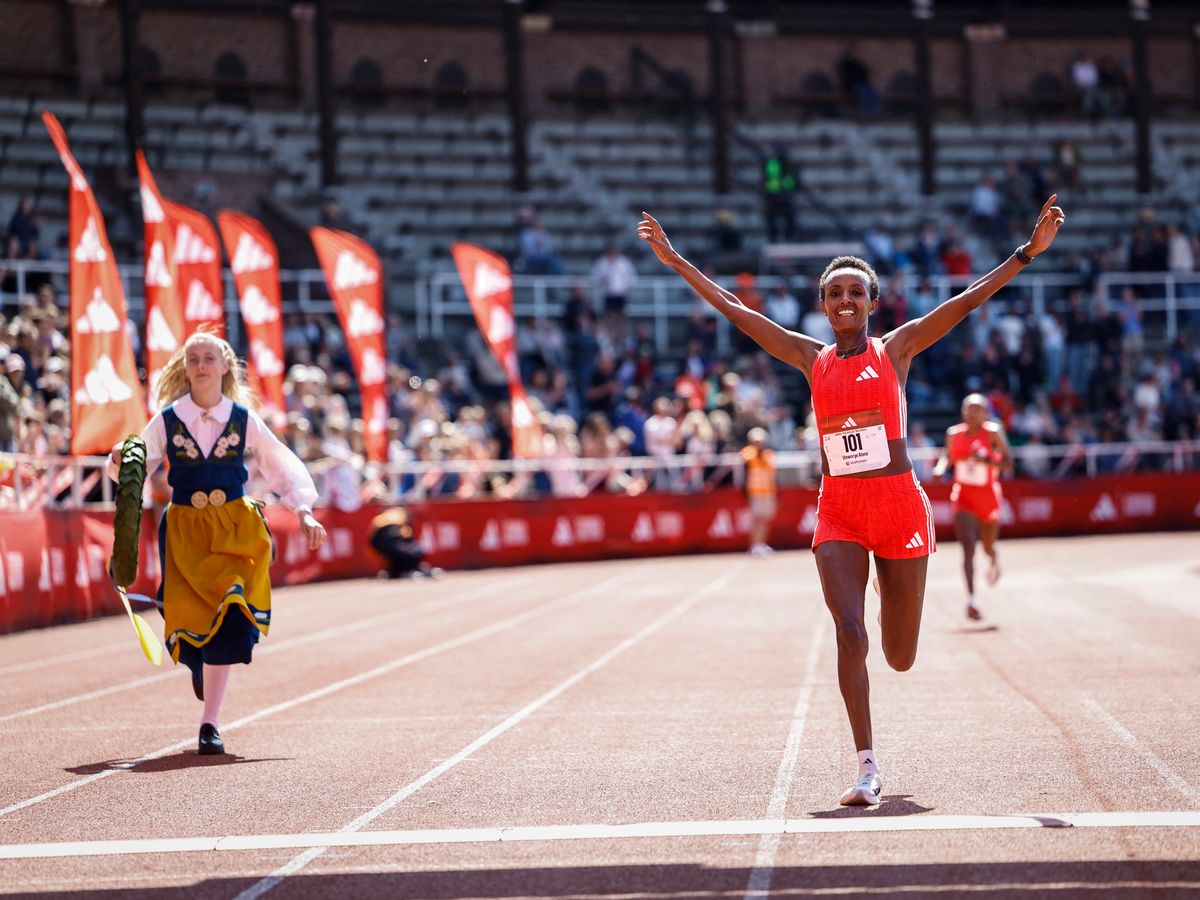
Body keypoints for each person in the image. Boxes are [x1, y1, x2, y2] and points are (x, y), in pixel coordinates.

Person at [638, 194, 1065, 807]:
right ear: (823, 305)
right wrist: (675, 260)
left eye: (854, 293)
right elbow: (735, 309)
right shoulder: (809, 360)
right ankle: (867, 764)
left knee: (899, 654)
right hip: (838, 509)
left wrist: (1026, 253)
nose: (844, 301)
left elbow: (966, 301)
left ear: (872, 303)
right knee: (850, 635)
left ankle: (895, 649)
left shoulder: (896, 350)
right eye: (834, 293)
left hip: (898, 510)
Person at [106, 332, 327, 756]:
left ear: (225, 366)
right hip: (185, 532)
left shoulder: (244, 419)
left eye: (210, 358)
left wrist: (303, 509)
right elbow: (136, 463)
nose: (202, 366)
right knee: (188, 622)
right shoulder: (168, 420)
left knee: (231, 608)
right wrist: (120, 457)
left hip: (234, 529)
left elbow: (280, 464)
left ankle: (210, 723)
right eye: (194, 359)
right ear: (185, 368)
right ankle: (198, 663)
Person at [932, 394, 1013, 621]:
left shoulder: (993, 433)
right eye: (968, 409)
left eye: (977, 410)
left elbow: (1008, 463)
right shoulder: (953, 434)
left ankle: (993, 557)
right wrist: (940, 469)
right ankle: (972, 600)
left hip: (987, 496)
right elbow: (947, 456)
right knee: (968, 546)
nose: (972, 414)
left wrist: (986, 461)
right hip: (963, 496)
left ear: (986, 413)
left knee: (987, 546)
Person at [368, 505, 443, 580]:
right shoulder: (401, 516)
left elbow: (371, 537)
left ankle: (395, 572)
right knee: (411, 553)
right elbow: (405, 536)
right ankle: (407, 570)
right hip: (387, 538)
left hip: (377, 541)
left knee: (398, 554)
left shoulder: (381, 517)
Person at [740, 427, 777, 557]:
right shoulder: (748, 454)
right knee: (757, 520)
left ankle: (761, 543)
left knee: (765, 520)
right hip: (755, 492)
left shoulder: (768, 455)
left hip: (768, 492)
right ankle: (754, 545)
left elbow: (772, 475)